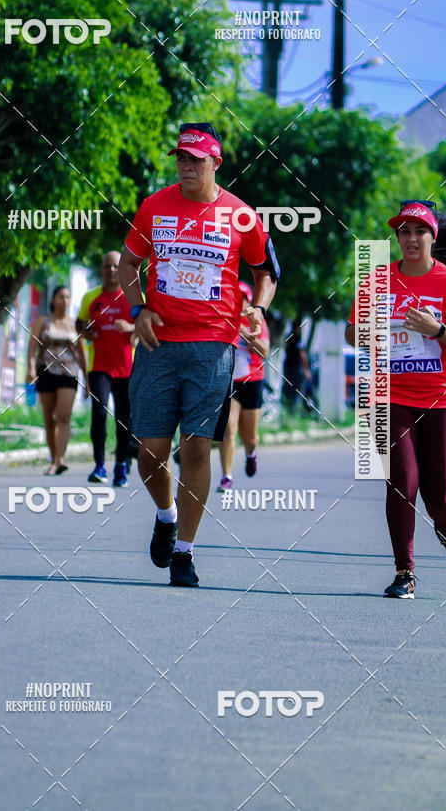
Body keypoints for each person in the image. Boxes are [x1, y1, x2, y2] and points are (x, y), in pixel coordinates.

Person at [119, 121, 280, 587]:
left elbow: (267, 270)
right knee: (149, 452)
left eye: (196, 159)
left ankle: (185, 554)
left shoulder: (241, 215)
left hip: (214, 345)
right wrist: (138, 307)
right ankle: (166, 515)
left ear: (216, 163)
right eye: (181, 159)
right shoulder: (154, 206)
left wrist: (257, 308)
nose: (186, 166)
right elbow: (130, 262)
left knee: (195, 448)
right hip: (157, 344)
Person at [345, 201, 446, 598]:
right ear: (397, 238)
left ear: (433, 236)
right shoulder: (376, 280)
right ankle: (404, 572)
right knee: (402, 482)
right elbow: (351, 335)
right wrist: (370, 329)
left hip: (443, 398)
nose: (411, 239)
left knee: (443, 493)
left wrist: (439, 329)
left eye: (420, 231)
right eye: (404, 232)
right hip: (389, 397)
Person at [76, 251, 136, 487]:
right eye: (107, 267)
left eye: (115, 267)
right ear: (101, 270)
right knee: (99, 413)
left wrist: (130, 326)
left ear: (121, 269)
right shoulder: (91, 297)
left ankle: (121, 465)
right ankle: (99, 465)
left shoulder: (133, 296)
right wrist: (85, 331)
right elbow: (79, 322)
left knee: (123, 418)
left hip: (126, 368)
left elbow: (146, 325)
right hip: (99, 366)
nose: (111, 271)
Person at [27, 285, 88, 475]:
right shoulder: (43, 321)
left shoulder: (74, 324)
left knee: (62, 415)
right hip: (45, 372)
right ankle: (54, 460)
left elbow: (81, 353)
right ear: (53, 300)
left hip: (69, 374)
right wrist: (30, 369)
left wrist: (87, 381)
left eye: (68, 297)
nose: (65, 301)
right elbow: (31, 347)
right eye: (61, 296)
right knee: (49, 419)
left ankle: (60, 460)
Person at [217, 281, 270, 492]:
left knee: (250, 437)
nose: (238, 302)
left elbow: (264, 351)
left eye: (243, 298)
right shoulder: (221, 317)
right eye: (234, 297)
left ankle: (250, 453)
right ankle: (226, 476)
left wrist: (242, 331)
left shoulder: (255, 320)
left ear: (249, 301)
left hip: (251, 379)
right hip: (228, 381)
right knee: (228, 429)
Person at [281, 319, 312, 415]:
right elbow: (302, 354)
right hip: (295, 368)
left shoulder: (287, 337)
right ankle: (295, 410)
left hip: (287, 367)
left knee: (288, 388)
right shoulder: (297, 338)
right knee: (298, 389)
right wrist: (306, 370)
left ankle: (288, 408)